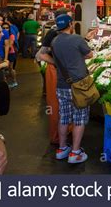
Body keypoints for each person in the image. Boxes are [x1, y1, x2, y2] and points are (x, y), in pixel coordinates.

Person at [51, 14, 93, 164]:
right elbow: (90, 54)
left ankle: (62, 149)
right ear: (70, 24)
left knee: (64, 117)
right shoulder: (76, 39)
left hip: (62, 85)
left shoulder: (55, 41)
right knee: (79, 119)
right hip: (79, 85)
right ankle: (75, 152)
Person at [36, 8, 73, 145]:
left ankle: (66, 131)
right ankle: (56, 136)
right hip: (55, 72)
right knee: (55, 104)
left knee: (66, 104)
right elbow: (40, 54)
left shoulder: (66, 33)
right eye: (69, 17)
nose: (71, 21)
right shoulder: (52, 33)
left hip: (65, 72)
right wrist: (56, 63)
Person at [1, 22, 18, 88]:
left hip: (11, 53)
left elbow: (10, 45)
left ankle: (14, 81)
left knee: (10, 68)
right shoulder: (1, 35)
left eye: (7, 28)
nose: (5, 29)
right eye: (4, 28)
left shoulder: (11, 35)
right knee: (5, 69)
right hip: (3, 53)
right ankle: (6, 84)